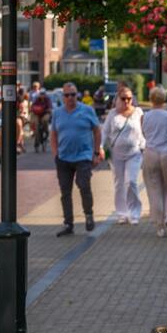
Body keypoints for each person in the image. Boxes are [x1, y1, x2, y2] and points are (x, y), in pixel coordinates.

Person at [51, 82, 102, 237]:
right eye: (67, 95)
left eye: (73, 94)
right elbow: (53, 134)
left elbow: (97, 131)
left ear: (77, 95)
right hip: (64, 158)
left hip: (83, 156)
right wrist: (55, 154)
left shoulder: (87, 110)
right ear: (63, 97)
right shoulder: (57, 113)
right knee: (65, 191)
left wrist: (96, 152)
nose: (70, 98)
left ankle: (88, 215)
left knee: (83, 184)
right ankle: (68, 223)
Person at [102, 86, 145, 224]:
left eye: (129, 98)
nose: (127, 101)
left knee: (131, 182)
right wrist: (101, 147)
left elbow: (144, 131)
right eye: (123, 98)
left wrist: (143, 145)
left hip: (134, 153)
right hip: (116, 155)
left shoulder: (138, 112)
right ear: (117, 99)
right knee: (119, 184)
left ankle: (135, 213)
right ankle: (122, 213)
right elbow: (105, 132)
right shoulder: (113, 114)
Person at [141, 86, 167, 237]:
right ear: (164, 100)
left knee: (154, 189)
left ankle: (159, 227)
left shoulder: (144, 116)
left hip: (151, 153)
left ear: (151, 99)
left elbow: (144, 134)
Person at [30, 85, 52, 153]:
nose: (42, 95)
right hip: (37, 114)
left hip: (45, 113)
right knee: (36, 126)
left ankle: (46, 131)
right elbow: (33, 106)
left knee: (44, 120)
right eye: (41, 94)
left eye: (43, 94)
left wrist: (47, 110)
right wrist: (33, 109)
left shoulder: (48, 100)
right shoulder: (37, 99)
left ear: (45, 94)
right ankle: (36, 143)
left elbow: (50, 108)